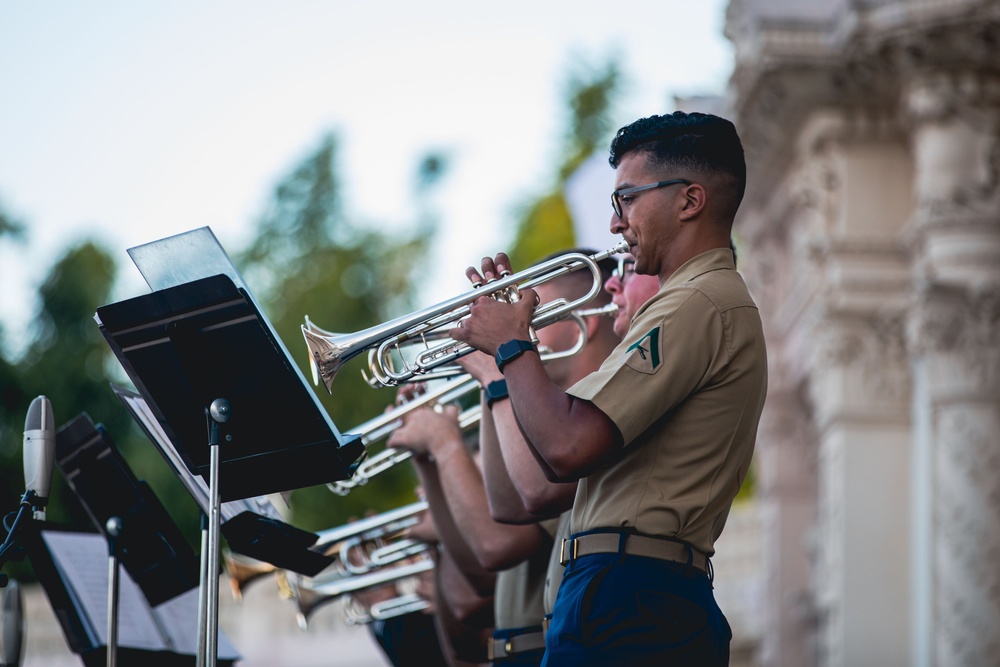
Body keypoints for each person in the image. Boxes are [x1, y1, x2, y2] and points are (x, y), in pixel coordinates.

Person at [450, 111, 768, 665]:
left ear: (690, 201)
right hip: (626, 591)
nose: (616, 223)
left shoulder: (697, 301)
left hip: (633, 595)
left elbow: (565, 448)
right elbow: (540, 484)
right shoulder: (693, 301)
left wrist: (510, 349)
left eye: (626, 200)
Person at [388, 256, 619, 666]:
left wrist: (499, 371)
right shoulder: (551, 419)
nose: (520, 326)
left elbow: (497, 544)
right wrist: (493, 374)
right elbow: (505, 512)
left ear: (586, 318)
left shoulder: (587, 419)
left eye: (533, 313)